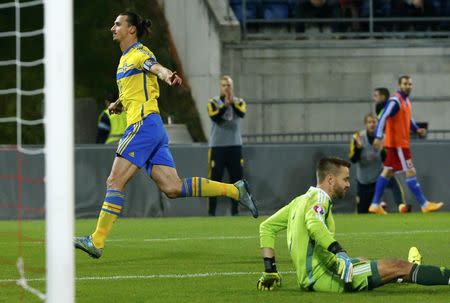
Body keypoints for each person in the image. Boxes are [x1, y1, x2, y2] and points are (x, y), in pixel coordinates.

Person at [74, 11, 258, 259]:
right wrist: (119, 102)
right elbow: (136, 88)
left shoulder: (140, 53)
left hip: (143, 126)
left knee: (114, 182)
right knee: (172, 187)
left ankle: (96, 241)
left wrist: (167, 75)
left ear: (131, 30)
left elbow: (156, 68)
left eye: (117, 24)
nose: (112, 28)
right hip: (152, 128)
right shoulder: (126, 59)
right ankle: (236, 191)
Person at [256, 157, 450, 292]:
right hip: (327, 277)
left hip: (310, 277)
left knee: (364, 261)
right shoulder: (319, 199)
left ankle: (402, 273)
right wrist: (339, 252)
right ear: (330, 179)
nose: (349, 184)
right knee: (398, 265)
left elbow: (266, 227)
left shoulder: (299, 201)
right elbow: (314, 224)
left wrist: (270, 271)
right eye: (346, 179)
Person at [368, 75, 444, 214]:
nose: (408, 86)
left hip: (398, 144)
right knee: (410, 171)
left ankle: (374, 204)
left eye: (410, 84)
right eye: (405, 84)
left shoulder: (406, 101)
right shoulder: (395, 100)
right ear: (399, 85)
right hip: (398, 144)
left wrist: (416, 129)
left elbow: (409, 118)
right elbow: (383, 117)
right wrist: (378, 136)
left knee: (388, 171)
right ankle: (424, 204)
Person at [349, 113, 409, 213]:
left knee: (391, 177)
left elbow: (387, 162)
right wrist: (358, 149)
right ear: (365, 124)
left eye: (374, 122)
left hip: (378, 178)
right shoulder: (358, 137)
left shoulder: (384, 138)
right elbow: (353, 159)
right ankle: (379, 206)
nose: (372, 125)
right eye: (369, 122)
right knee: (363, 212)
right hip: (364, 181)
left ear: (378, 124)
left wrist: (382, 149)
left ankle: (401, 205)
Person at [207, 76, 246, 216]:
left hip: (234, 146)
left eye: (228, 85)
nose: (226, 88)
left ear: (232, 86)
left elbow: (242, 113)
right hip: (218, 146)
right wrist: (225, 105)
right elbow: (215, 117)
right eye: (223, 85)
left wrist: (231, 103)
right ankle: (211, 212)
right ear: (220, 87)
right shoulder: (213, 102)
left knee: (236, 180)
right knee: (214, 180)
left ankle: (235, 211)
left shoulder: (239, 102)